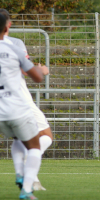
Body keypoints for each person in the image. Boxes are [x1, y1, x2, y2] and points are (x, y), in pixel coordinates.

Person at [0, 8, 53, 191]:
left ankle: (22, 171)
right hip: (19, 99)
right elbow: (26, 71)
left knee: (17, 139)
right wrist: (43, 70)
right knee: (44, 137)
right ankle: (28, 176)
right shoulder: (13, 44)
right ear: (8, 25)